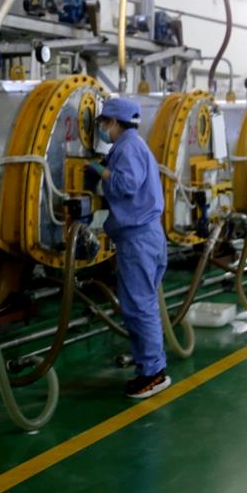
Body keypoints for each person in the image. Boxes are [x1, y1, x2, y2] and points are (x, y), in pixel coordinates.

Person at [86, 96, 170, 399]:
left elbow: (127, 184)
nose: (102, 129)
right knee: (143, 305)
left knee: (139, 307)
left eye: (103, 123)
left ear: (113, 122)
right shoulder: (133, 145)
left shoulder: (127, 147)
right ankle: (150, 366)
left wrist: (100, 171)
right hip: (146, 236)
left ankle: (153, 374)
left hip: (138, 240)